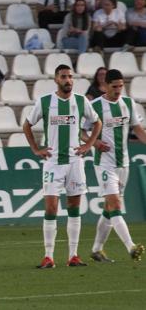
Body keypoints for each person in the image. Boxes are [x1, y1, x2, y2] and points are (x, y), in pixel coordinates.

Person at [23, 64, 102, 269]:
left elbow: (97, 122)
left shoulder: (80, 100)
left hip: (75, 162)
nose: (68, 80)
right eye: (64, 77)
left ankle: (73, 256)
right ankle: (48, 256)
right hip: (53, 163)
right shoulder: (45, 101)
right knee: (51, 207)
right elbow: (27, 125)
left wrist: (89, 144)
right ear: (56, 79)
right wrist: (35, 149)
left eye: (70, 76)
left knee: (74, 207)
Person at [86, 69, 145, 263]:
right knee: (116, 205)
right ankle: (131, 247)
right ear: (105, 86)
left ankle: (96, 249)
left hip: (123, 164)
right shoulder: (94, 106)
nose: (118, 90)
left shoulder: (128, 104)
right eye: (114, 86)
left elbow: (137, 129)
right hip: (104, 164)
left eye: (121, 86)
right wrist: (95, 143)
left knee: (109, 208)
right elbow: (80, 131)